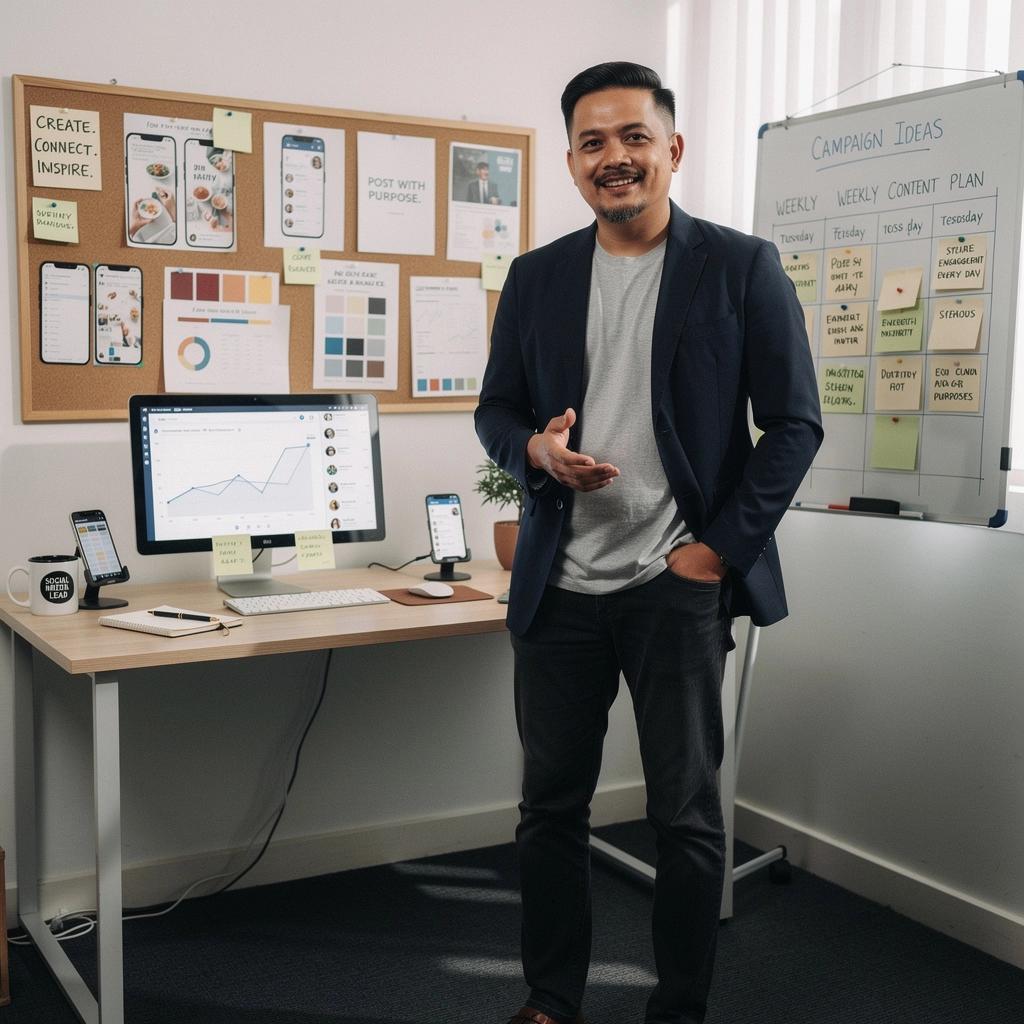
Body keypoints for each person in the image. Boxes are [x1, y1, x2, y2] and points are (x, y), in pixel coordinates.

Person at [474, 62, 822, 1024]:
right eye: (592, 143)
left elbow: (795, 425)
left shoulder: (740, 267)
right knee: (550, 812)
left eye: (633, 137)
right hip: (560, 585)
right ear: (574, 162)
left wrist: (713, 555)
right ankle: (551, 1002)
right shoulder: (538, 275)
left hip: (675, 583)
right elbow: (495, 408)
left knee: (684, 816)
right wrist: (536, 452)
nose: (613, 158)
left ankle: (678, 1009)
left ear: (671, 149)